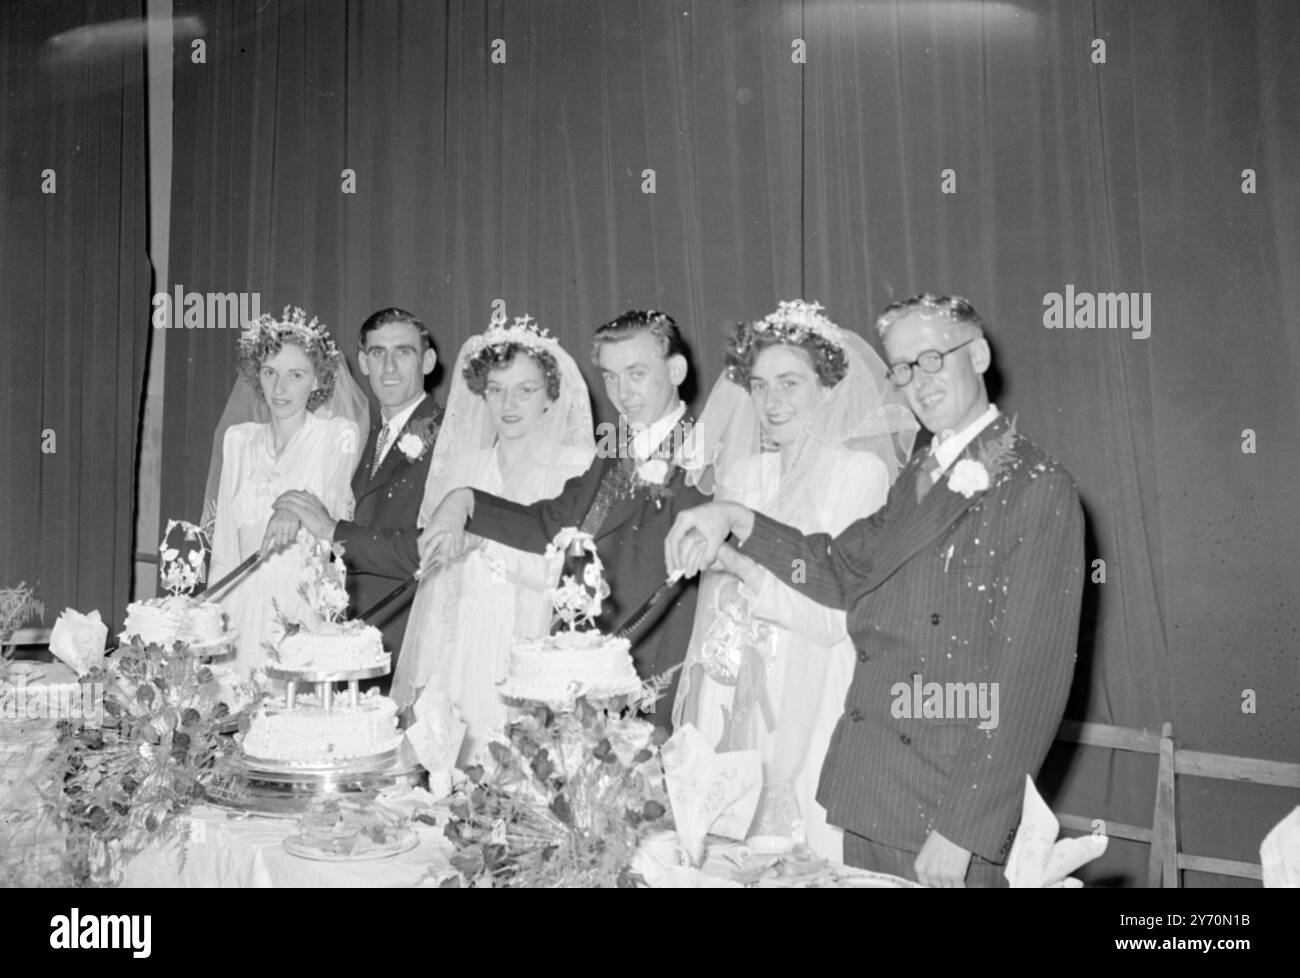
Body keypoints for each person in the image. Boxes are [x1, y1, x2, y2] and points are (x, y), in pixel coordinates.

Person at [666, 294, 1085, 887]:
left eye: (934, 358)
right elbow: (837, 568)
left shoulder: (1035, 485)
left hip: (943, 807)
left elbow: (1028, 685)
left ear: (981, 354)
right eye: (904, 368)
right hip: (871, 792)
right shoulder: (920, 472)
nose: (919, 381)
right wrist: (740, 519)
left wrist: (964, 828)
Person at [673, 300, 916, 861]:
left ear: (829, 388)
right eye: (758, 386)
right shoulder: (745, 474)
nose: (770, 402)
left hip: (814, 692)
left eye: (789, 383)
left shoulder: (859, 474)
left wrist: (737, 565)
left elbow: (832, 618)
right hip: (735, 693)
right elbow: (715, 614)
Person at [420, 310, 707, 728]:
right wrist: (466, 501)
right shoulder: (614, 453)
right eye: (610, 377)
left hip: (653, 682)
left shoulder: (702, 457)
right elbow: (548, 524)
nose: (622, 393)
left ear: (676, 369)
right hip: (594, 678)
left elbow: (691, 601)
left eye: (636, 373)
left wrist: (657, 711)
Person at [391, 313, 594, 761]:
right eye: (496, 390)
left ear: (550, 395)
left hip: (535, 645)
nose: (509, 403)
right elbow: (439, 586)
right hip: (466, 648)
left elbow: (577, 580)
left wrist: (486, 541)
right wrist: (427, 671)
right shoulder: (467, 466)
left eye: (526, 389)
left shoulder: (575, 468)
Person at [271, 307, 442, 674]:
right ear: (363, 362)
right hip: (353, 641)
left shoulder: (448, 438)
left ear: (427, 361)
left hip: (410, 641)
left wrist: (333, 530)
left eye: (404, 352)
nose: (389, 367)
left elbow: (432, 550)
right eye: (378, 353)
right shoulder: (362, 434)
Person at [207, 306, 367, 672]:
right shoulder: (237, 440)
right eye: (270, 372)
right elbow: (225, 549)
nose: (279, 389)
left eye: (295, 375)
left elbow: (330, 523)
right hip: (239, 610)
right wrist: (210, 620)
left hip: (298, 607)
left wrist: (292, 507)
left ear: (318, 380)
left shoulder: (337, 436)